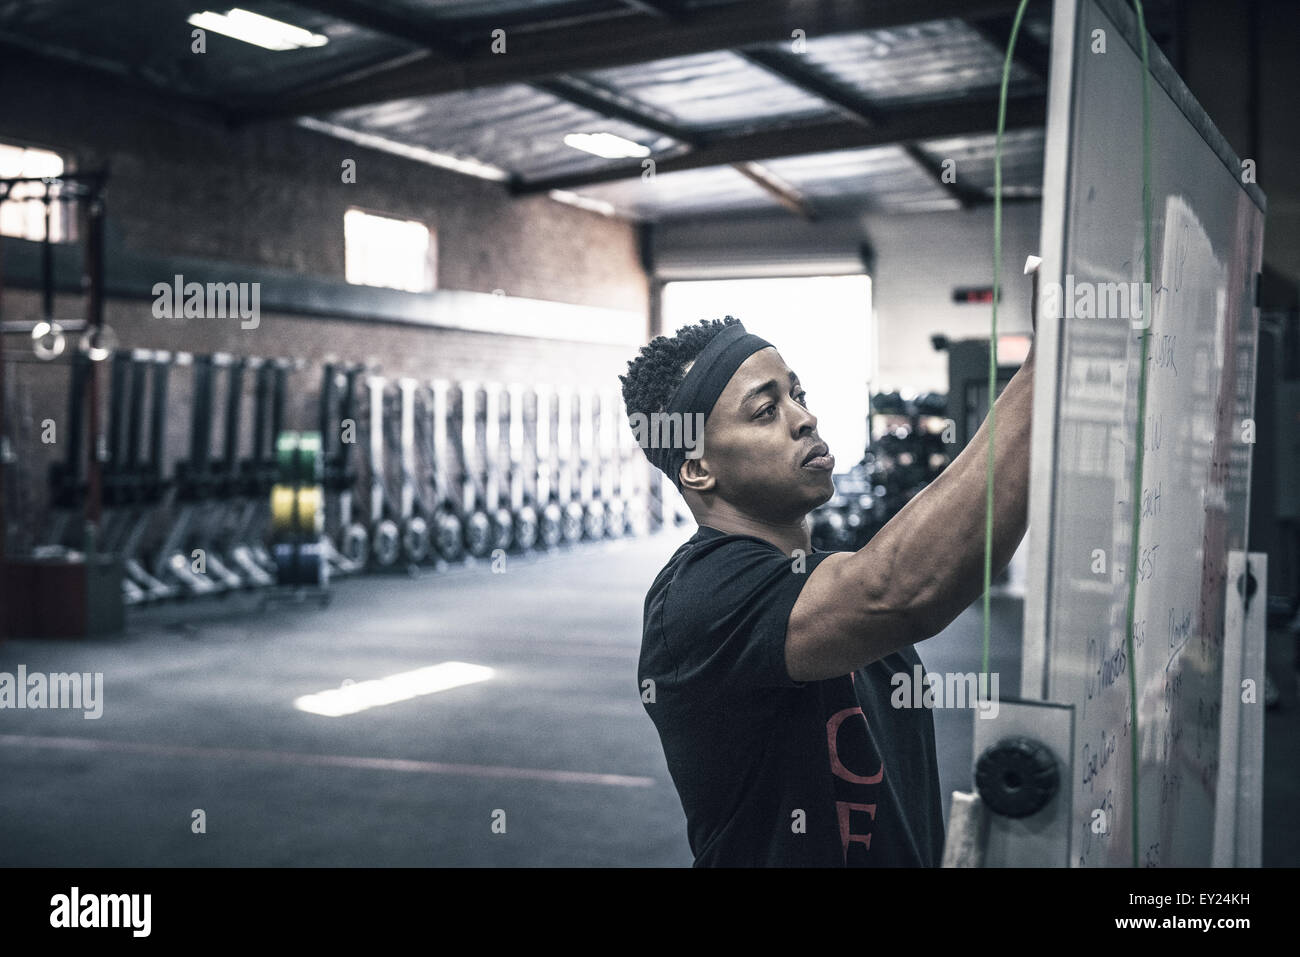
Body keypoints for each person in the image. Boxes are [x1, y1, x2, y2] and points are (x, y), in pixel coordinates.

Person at [619, 311, 1034, 866]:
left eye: (798, 394)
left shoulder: (822, 578)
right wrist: (1048, 362)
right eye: (767, 411)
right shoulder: (700, 595)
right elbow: (906, 587)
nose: (806, 419)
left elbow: (946, 563)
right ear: (698, 468)